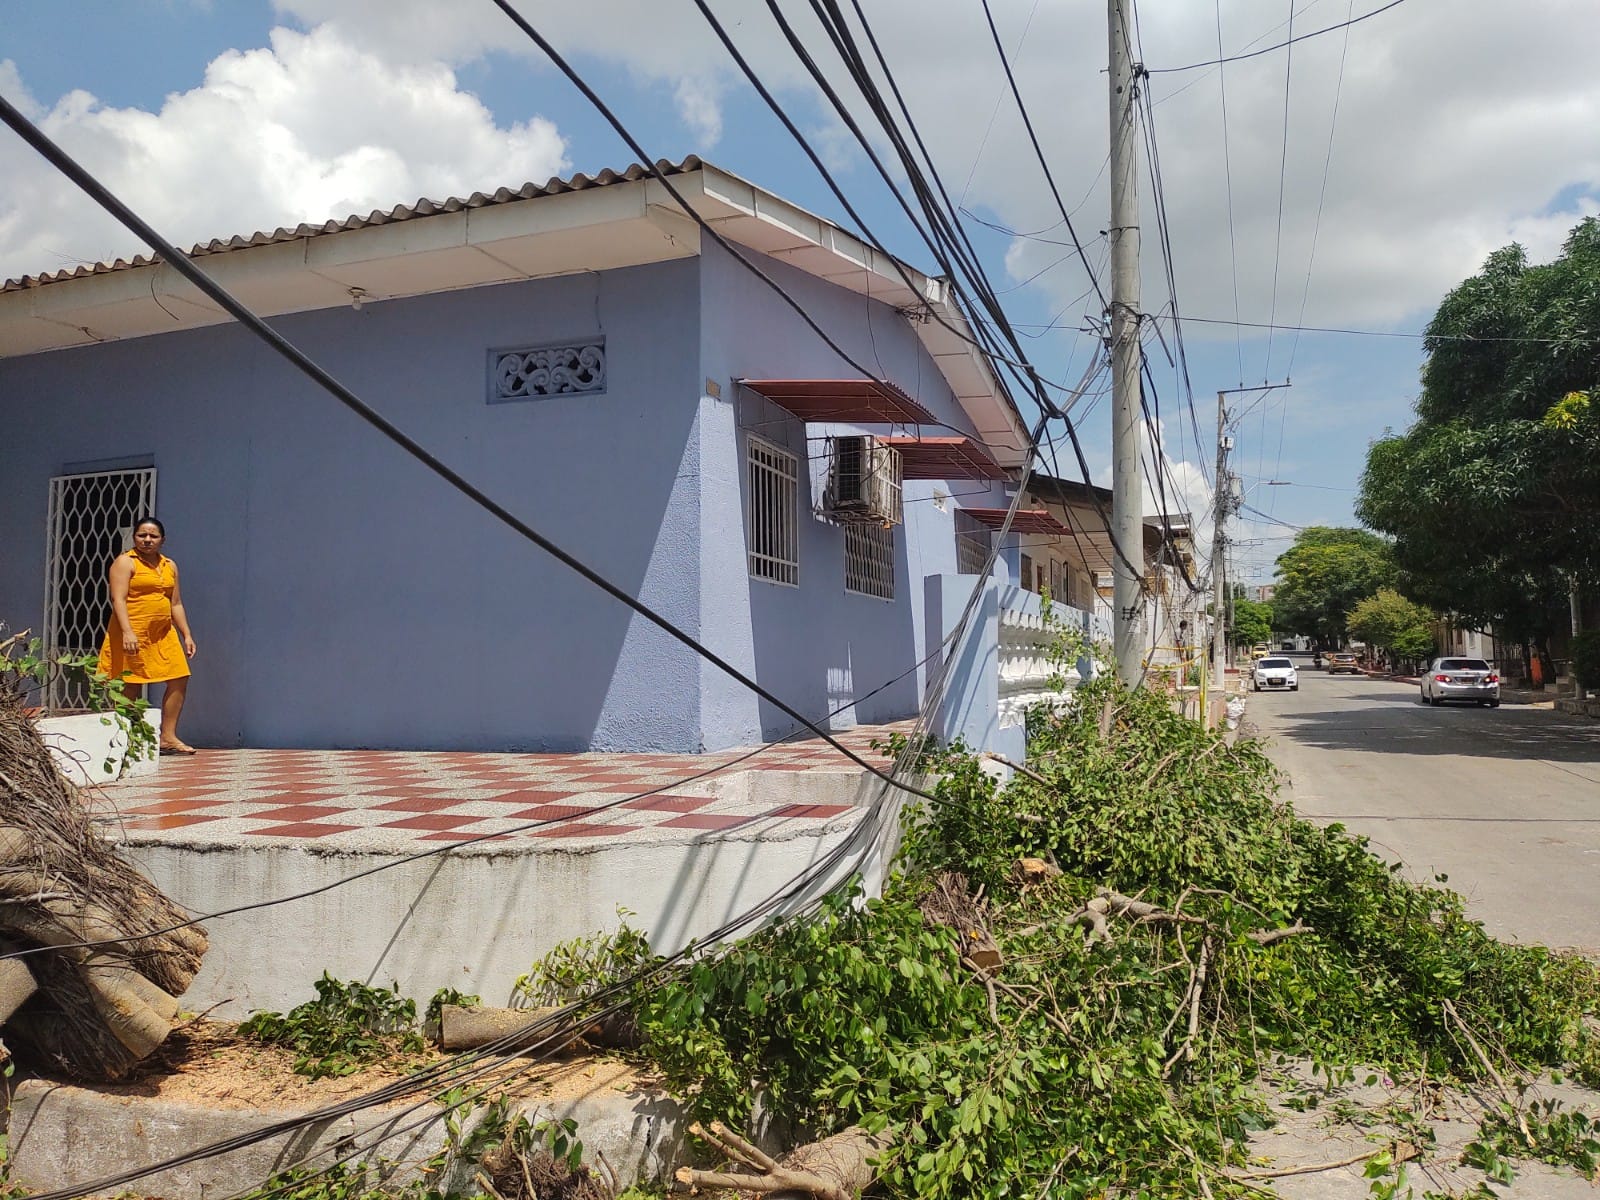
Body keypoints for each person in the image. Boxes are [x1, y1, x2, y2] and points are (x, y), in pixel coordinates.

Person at [97, 517, 197, 755]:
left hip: (163, 633)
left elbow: (176, 603)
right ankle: (128, 737)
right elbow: (118, 599)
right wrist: (128, 632)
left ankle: (168, 737)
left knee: (179, 676)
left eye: (153, 536)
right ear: (135, 537)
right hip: (133, 631)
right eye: (142, 535)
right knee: (132, 683)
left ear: (163, 540)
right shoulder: (125, 562)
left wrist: (187, 634)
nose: (147, 540)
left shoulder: (169, 565)